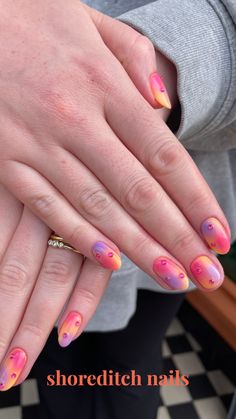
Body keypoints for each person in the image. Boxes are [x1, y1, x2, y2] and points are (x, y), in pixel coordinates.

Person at [0, 0, 235, 418]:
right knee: (54, 365)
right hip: (15, 208)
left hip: (164, 229)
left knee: (130, 371)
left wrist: (138, 81)